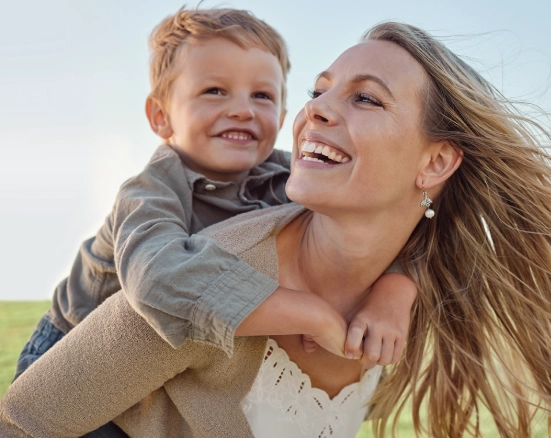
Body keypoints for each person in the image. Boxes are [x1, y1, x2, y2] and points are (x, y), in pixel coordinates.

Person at [4, 20, 551, 438]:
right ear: (161, 117)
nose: (316, 112)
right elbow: (157, 281)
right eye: (320, 92)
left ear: (435, 164)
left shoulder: (289, 176)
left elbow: (414, 230)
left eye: (363, 97)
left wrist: (396, 289)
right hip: (76, 335)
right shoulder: (153, 192)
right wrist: (307, 311)